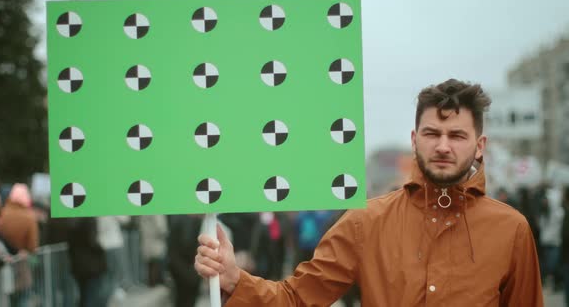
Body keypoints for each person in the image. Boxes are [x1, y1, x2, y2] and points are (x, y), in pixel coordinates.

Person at [194, 79, 544, 306]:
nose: (442, 146)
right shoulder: (366, 221)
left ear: (479, 145)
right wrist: (234, 279)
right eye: (431, 133)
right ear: (414, 139)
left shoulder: (511, 229)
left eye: (456, 136)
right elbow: (297, 298)